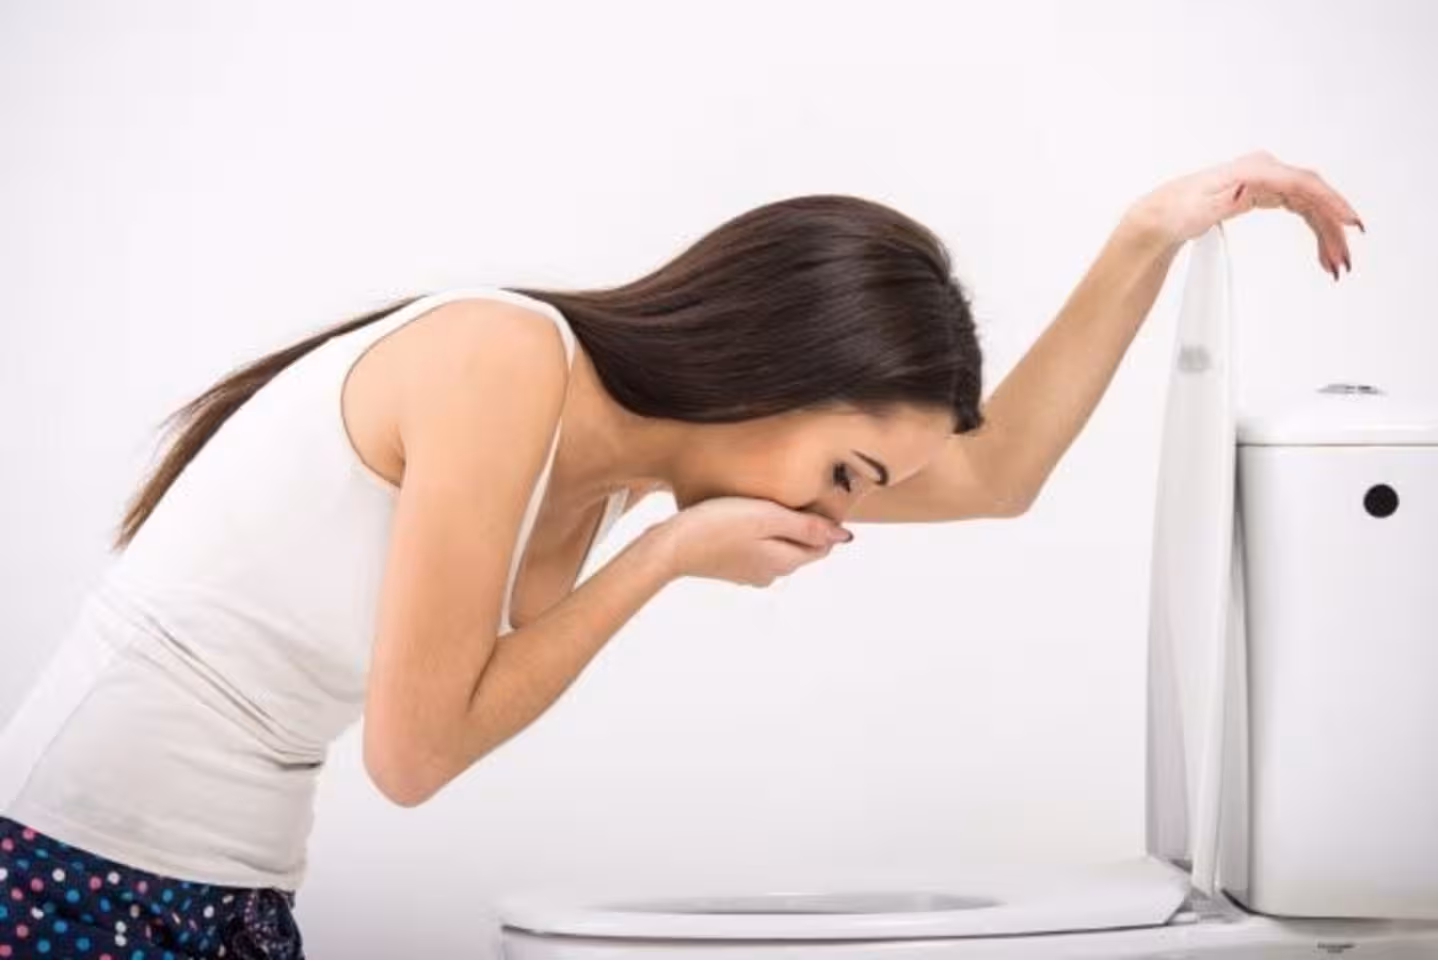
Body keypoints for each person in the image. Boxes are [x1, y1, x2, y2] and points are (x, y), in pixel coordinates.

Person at [0, 150, 1361, 958]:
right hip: (82, 862)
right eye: (845, 473)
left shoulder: (630, 461)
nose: (838, 518)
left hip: (229, 883)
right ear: (769, 374)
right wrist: (659, 563)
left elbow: (996, 478)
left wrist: (1145, 233)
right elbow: (415, 758)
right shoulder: (501, 359)